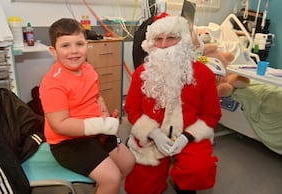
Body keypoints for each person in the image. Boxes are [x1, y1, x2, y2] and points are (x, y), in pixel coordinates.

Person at [124, 14, 222, 194]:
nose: (163, 45)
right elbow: (131, 109)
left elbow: (211, 114)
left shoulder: (203, 74)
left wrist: (187, 137)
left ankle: (181, 181)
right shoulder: (142, 73)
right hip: (153, 137)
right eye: (158, 39)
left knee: (199, 169)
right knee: (140, 188)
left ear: (183, 40)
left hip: (189, 134)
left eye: (171, 38)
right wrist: (153, 132)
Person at [39, 18, 135, 194]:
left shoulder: (88, 69)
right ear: (54, 51)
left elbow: (95, 95)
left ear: (87, 44)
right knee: (111, 177)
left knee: (128, 163)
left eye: (79, 43)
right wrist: (99, 125)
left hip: (95, 131)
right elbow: (59, 124)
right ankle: (108, 186)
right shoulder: (52, 84)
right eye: (65, 45)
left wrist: (104, 112)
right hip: (68, 142)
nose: (74, 51)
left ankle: (105, 189)